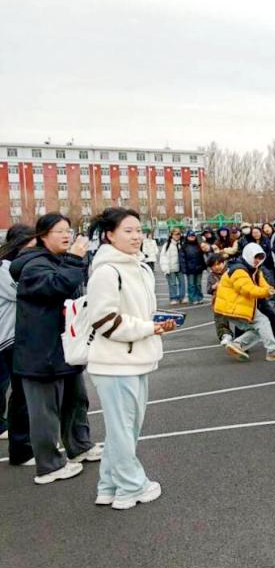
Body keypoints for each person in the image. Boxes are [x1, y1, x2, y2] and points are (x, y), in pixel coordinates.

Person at [86, 208, 175, 509]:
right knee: (124, 430)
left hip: (135, 358)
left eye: (139, 230)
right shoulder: (106, 271)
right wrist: (148, 328)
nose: (136, 236)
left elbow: (138, 312)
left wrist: (156, 324)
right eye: (128, 230)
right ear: (110, 235)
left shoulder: (139, 267)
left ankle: (109, 485)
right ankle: (130, 486)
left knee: (123, 430)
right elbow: (105, 321)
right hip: (114, 363)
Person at [11, 213, 101, 484]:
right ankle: (49, 466)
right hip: (41, 352)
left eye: (68, 231)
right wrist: (74, 259)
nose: (66, 236)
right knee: (45, 412)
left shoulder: (57, 260)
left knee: (76, 400)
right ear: (42, 235)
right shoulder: (33, 265)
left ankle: (79, 446)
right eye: (59, 231)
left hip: (65, 347)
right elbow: (57, 286)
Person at [0, 224, 35, 467]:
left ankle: (24, 440)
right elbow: (24, 293)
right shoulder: (4, 269)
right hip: (9, 339)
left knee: (22, 391)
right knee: (20, 392)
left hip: (17, 337)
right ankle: (20, 447)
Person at [214, 242, 275, 362]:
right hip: (233, 306)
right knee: (263, 322)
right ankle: (273, 351)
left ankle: (237, 344)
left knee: (258, 329)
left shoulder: (254, 270)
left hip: (232, 306)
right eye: (256, 257)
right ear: (248, 255)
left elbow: (263, 285)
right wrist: (267, 292)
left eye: (260, 257)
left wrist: (269, 289)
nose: (257, 260)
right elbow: (248, 290)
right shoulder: (239, 270)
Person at [179, 229, 207, 305]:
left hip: (199, 268)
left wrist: (204, 266)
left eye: (193, 236)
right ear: (187, 237)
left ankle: (199, 297)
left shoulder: (199, 245)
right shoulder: (184, 247)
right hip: (189, 269)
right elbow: (182, 259)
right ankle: (192, 298)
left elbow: (203, 257)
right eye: (190, 236)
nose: (192, 237)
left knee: (198, 284)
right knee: (191, 285)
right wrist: (184, 269)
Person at [159, 228, 185, 304]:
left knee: (182, 283)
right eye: (175, 234)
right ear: (172, 235)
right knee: (172, 284)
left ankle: (182, 297)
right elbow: (163, 257)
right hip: (171, 268)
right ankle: (173, 298)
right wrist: (165, 268)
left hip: (180, 267)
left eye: (179, 234)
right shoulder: (167, 245)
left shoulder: (181, 244)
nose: (177, 236)